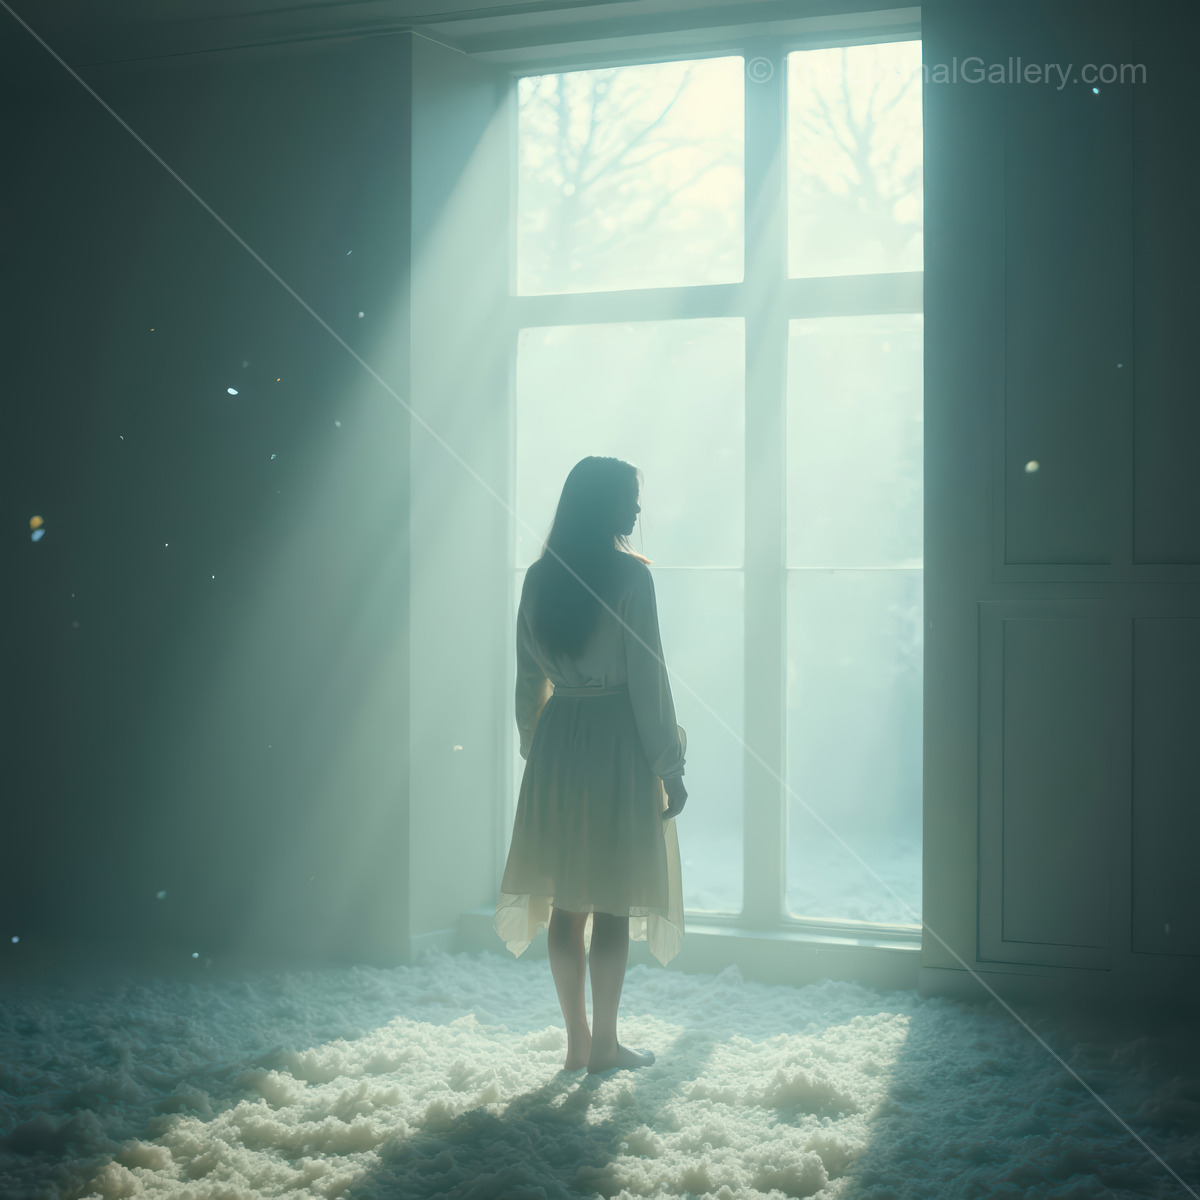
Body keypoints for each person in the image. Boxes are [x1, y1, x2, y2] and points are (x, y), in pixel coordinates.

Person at [493, 456, 688, 1074]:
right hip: (615, 738)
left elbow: (528, 681)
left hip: (560, 738)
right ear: (604, 505)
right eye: (630, 499)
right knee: (609, 901)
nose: (637, 510)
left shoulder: (538, 578)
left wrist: (537, 749)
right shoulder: (631, 579)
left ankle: (577, 1040)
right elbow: (647, 680)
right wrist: (669, 763)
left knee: (564, 902)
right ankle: (604, 1043)